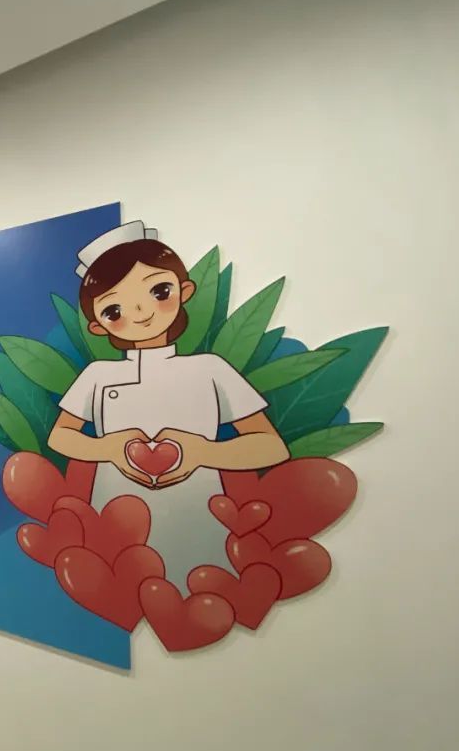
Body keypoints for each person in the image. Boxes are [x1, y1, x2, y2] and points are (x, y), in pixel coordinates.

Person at [48, 221, 289, 589]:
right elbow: (60, 436)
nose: (140, 312)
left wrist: (202, 451)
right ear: (98, 326)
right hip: (116, 508)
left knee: (199, 581)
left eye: (159, 291)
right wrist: (106, 448)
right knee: (122, 580)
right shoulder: (98, 375)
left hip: (198, 511)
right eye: (114, 311)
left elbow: (270, 445)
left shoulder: (210, 369)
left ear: (184, 291)